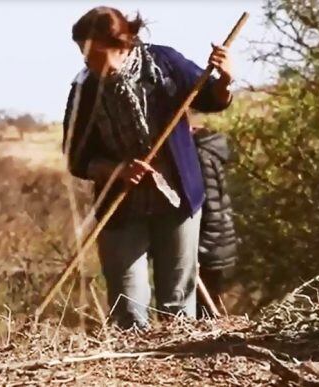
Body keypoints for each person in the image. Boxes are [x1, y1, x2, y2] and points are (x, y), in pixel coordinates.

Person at [63, 6, 234, 328]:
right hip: (121, 206)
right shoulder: (84, 89)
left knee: (178, 303)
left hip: (178, 198)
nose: (88, 62)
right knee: (128, 306)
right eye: (83, 54)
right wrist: (117, 170)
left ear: (121, 45)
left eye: (95, 54)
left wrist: (224, 77)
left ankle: (183, 368)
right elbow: (76, 158)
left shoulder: (164, 63)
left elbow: (212, 99)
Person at [193, 126, 238, 317]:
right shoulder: (208, 152)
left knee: (205, 310)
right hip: (217, 243)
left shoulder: (201, 156)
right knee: (206, 306)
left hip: (210, 246)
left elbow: (212, 209)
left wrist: (199, 251)